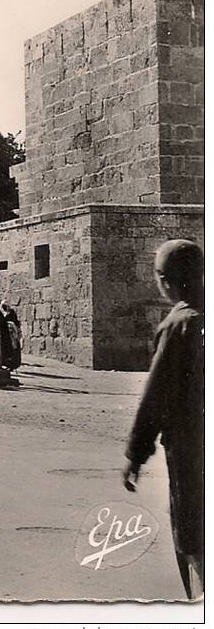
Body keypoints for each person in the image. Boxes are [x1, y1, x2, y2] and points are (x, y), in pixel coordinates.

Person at [123, 239, 204, 600]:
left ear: (165, 281)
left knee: (194, 533)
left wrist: (135, 454)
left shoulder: (179, 326)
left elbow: (156, 396)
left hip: (192, 450)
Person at [0, 300, 22, 370]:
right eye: (3, 306)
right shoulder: (4, 313)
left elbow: (14, 323)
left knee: (13, 349)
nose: (4, 307)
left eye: (5, 306)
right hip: (6, 334)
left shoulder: (11, 313)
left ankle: (13, 365)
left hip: (12, 334)